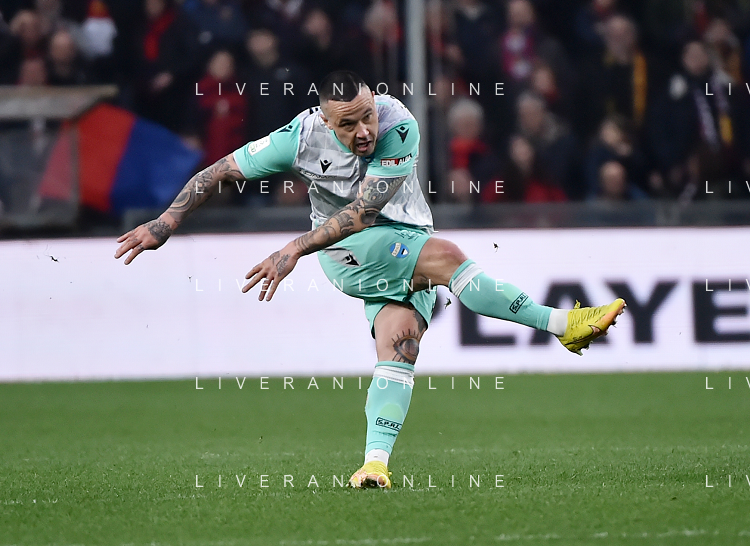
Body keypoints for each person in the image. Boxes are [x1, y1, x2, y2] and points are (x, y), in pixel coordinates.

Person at [115, 70, 626, 490]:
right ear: (325, 120)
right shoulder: (298, 138)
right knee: (448, 257)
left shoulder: (398, 124)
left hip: (396, 235)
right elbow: (218, 172)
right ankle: (563, 325)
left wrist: (292, 248)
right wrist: (165, 224)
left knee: (401, 346)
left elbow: (365, 209)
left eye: (366, 116)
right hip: (345, 252)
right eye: (348, 123)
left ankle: (374, 465)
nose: (363, 130)